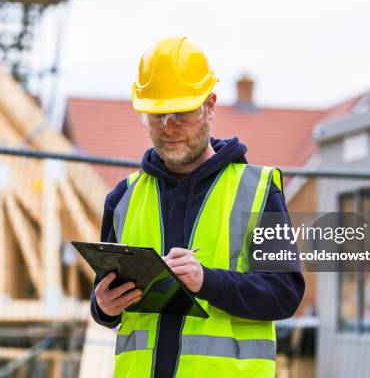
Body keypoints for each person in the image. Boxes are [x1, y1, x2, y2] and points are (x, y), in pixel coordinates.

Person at [90, 37, 305, 377]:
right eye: (157, 114)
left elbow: (284, 294)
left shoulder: (259, 191)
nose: (169, 127)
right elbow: (108, 294)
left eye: (183, 112)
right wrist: (102, 307)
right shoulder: (123, 199)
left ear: (210, 105)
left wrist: (206, 281)